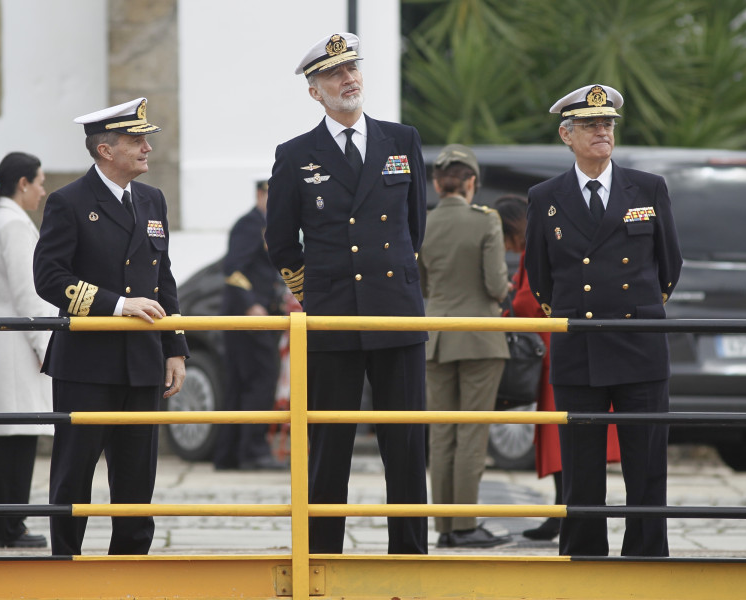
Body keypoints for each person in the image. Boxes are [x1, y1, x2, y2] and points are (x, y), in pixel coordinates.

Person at [264, 33, 428, 554]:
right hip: (333, 314)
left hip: (395, 313)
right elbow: (282, 241)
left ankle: (410, 557)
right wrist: (315, 294)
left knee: (404, 446)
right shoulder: (295, 156)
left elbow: (414, 225)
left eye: (353, 68)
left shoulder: (401, 141)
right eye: (335, 74)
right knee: (328, 447)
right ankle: (321, 559)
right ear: (316, 92)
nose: (349, 79)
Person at [524, 84, 682, 557]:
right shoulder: (545, 196)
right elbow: (540, 278)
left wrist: (640, 317)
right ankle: (585, 557)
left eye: (607, 123)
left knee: (647, 465)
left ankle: (647, 558)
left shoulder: (648, 187)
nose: (601, 131)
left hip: (639, 343)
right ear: (566, 135)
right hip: (580, 346)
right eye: (591, 125)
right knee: (582, 470)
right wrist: (576, 320)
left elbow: (668, 266)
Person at [33, 97, 189, 555]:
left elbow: (163, 279)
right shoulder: (69, 202)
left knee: (137, 478)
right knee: (74, 474)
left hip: (142, 363)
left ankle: (131, 568)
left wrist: (175, 347)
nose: (147, 149)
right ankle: (67, 565)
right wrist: (117, 305)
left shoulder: (151, 198)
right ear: (106, 150)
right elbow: (50, 279)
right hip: (87, 363)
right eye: (136, 140)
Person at [495, 194, 621, 542]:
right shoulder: (552, 239)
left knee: (559, 436)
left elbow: (526, 301)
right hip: (565, 345)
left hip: (550, 351)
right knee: (568, 435)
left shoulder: (531, 250)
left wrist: (505, 313)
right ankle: (564, 511)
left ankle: (564, 513)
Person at [418, 145, 511, 549]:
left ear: (438, 184)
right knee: (471, 433)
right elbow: (495, 284)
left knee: (441, 435)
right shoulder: (486, 221)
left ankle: (444, 528)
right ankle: (465, 524)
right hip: (478, 336)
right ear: (470, 182)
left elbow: (421, 285)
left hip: (436, 336)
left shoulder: (423, 223)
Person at [0, 152, 53, 549]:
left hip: (0, 342)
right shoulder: (16, 225)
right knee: (18, 435)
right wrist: (45, 344)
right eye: (39, 182)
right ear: (23, 183)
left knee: (3, 436)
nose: (42, 190)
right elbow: (30, 294)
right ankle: (9, 526)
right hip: (17, 343)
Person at [213, 179, 287, 471]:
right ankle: (254, 451)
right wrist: (252, 304)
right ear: (260, 194)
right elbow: (233, 269)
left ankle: (229, 454)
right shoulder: (250, 224)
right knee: (260, 382)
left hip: (258, 317)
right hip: (250, 318)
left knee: (242, 384)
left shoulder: (268, 224)